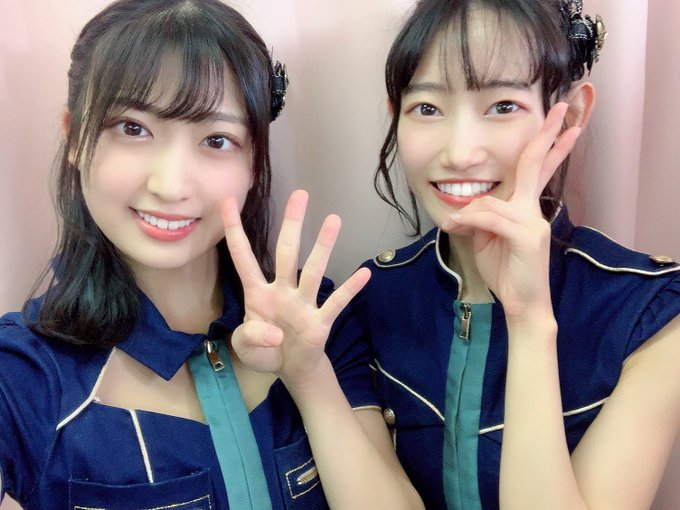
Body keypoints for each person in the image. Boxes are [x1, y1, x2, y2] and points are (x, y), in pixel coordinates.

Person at [0, 1, 423, 509]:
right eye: (132, 128)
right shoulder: (22, 372)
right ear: (73, 136)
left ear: (254, 161)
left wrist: (310, 378)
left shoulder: (316, 317)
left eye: (216, 139)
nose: (171, 184)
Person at [338, 0, 679, 508]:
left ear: (569, 116)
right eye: (426, 108)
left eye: (502, 106)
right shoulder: (371, 297)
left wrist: (529, 320)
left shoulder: (649, 314)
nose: (460, 153)